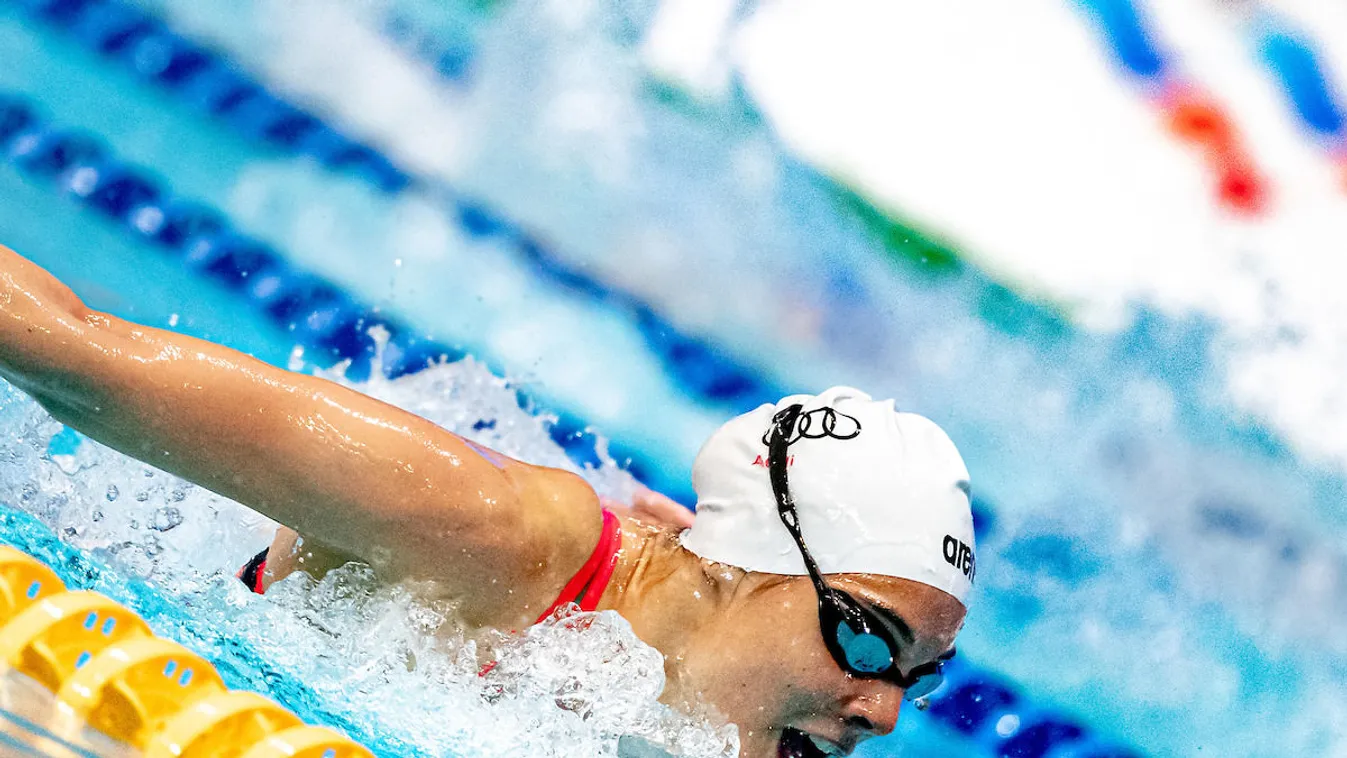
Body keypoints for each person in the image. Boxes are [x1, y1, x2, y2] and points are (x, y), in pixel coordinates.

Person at [0, 246, 976, 758]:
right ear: (733, 562)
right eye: (863, 637)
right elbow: (83, 355)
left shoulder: (697, 691)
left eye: (921, 676)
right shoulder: (481, 529)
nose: (886, 713)